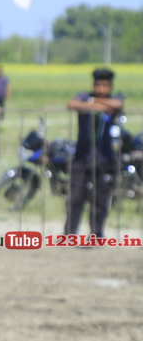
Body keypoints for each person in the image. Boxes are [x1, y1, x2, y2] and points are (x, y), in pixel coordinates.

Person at [65, 68, 124, 240]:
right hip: (82, 156)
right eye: (97, 85)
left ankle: (96, 235)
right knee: (75, 198)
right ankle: (69, 235)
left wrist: (92, 103)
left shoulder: (116, 98)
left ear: (110, 86)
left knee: (99, 201)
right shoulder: (84, 96)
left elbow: (117, 104)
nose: (100, 89)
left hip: (105, 158)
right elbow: (72, 104)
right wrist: (99, 105)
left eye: (105, 86)